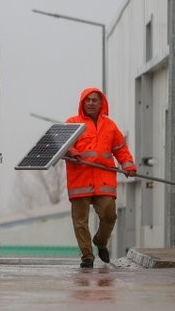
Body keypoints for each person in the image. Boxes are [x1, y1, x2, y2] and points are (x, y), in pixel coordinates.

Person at [64, 87, 137, 268]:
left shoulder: (110, 125)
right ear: (82, 103)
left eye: (94, 100)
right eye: (87, 100)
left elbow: (120, 148)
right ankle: (87, 256)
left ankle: (100, 241)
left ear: (100, 103)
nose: (90, 103)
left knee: (109, 215)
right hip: (80, 178)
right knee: (80, 221)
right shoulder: (72, 123)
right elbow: (62, 144)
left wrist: (128, 164)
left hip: (104, 179)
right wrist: (72, 151)